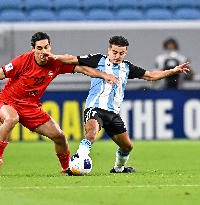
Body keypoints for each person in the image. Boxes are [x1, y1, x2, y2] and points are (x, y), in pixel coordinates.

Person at [0, 32, 118, 174]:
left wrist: (104, 75)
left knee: (60, 137)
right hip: (7, 101)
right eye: (39, 48)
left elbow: (82, 69)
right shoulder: (22, 61)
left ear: (50, 47)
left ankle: (67, 168)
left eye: (46, 47)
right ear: (33, 49)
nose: (43, 52)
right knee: (11, 119)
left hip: (30, 107)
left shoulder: (56, 63)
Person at [52, 35, 190, 174]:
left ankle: (118, 168)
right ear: (109, 50)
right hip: (95, 107)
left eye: (121, 53)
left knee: (127, 147)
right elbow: (71, 59)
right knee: (92, 133)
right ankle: (79, 158)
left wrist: (173, 70)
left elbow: (150, 75)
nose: (118, 56)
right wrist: (53, 57)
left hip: (113, 114)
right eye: (115, 52)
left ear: (126, 52)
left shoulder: (127, 67)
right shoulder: (98, 60)